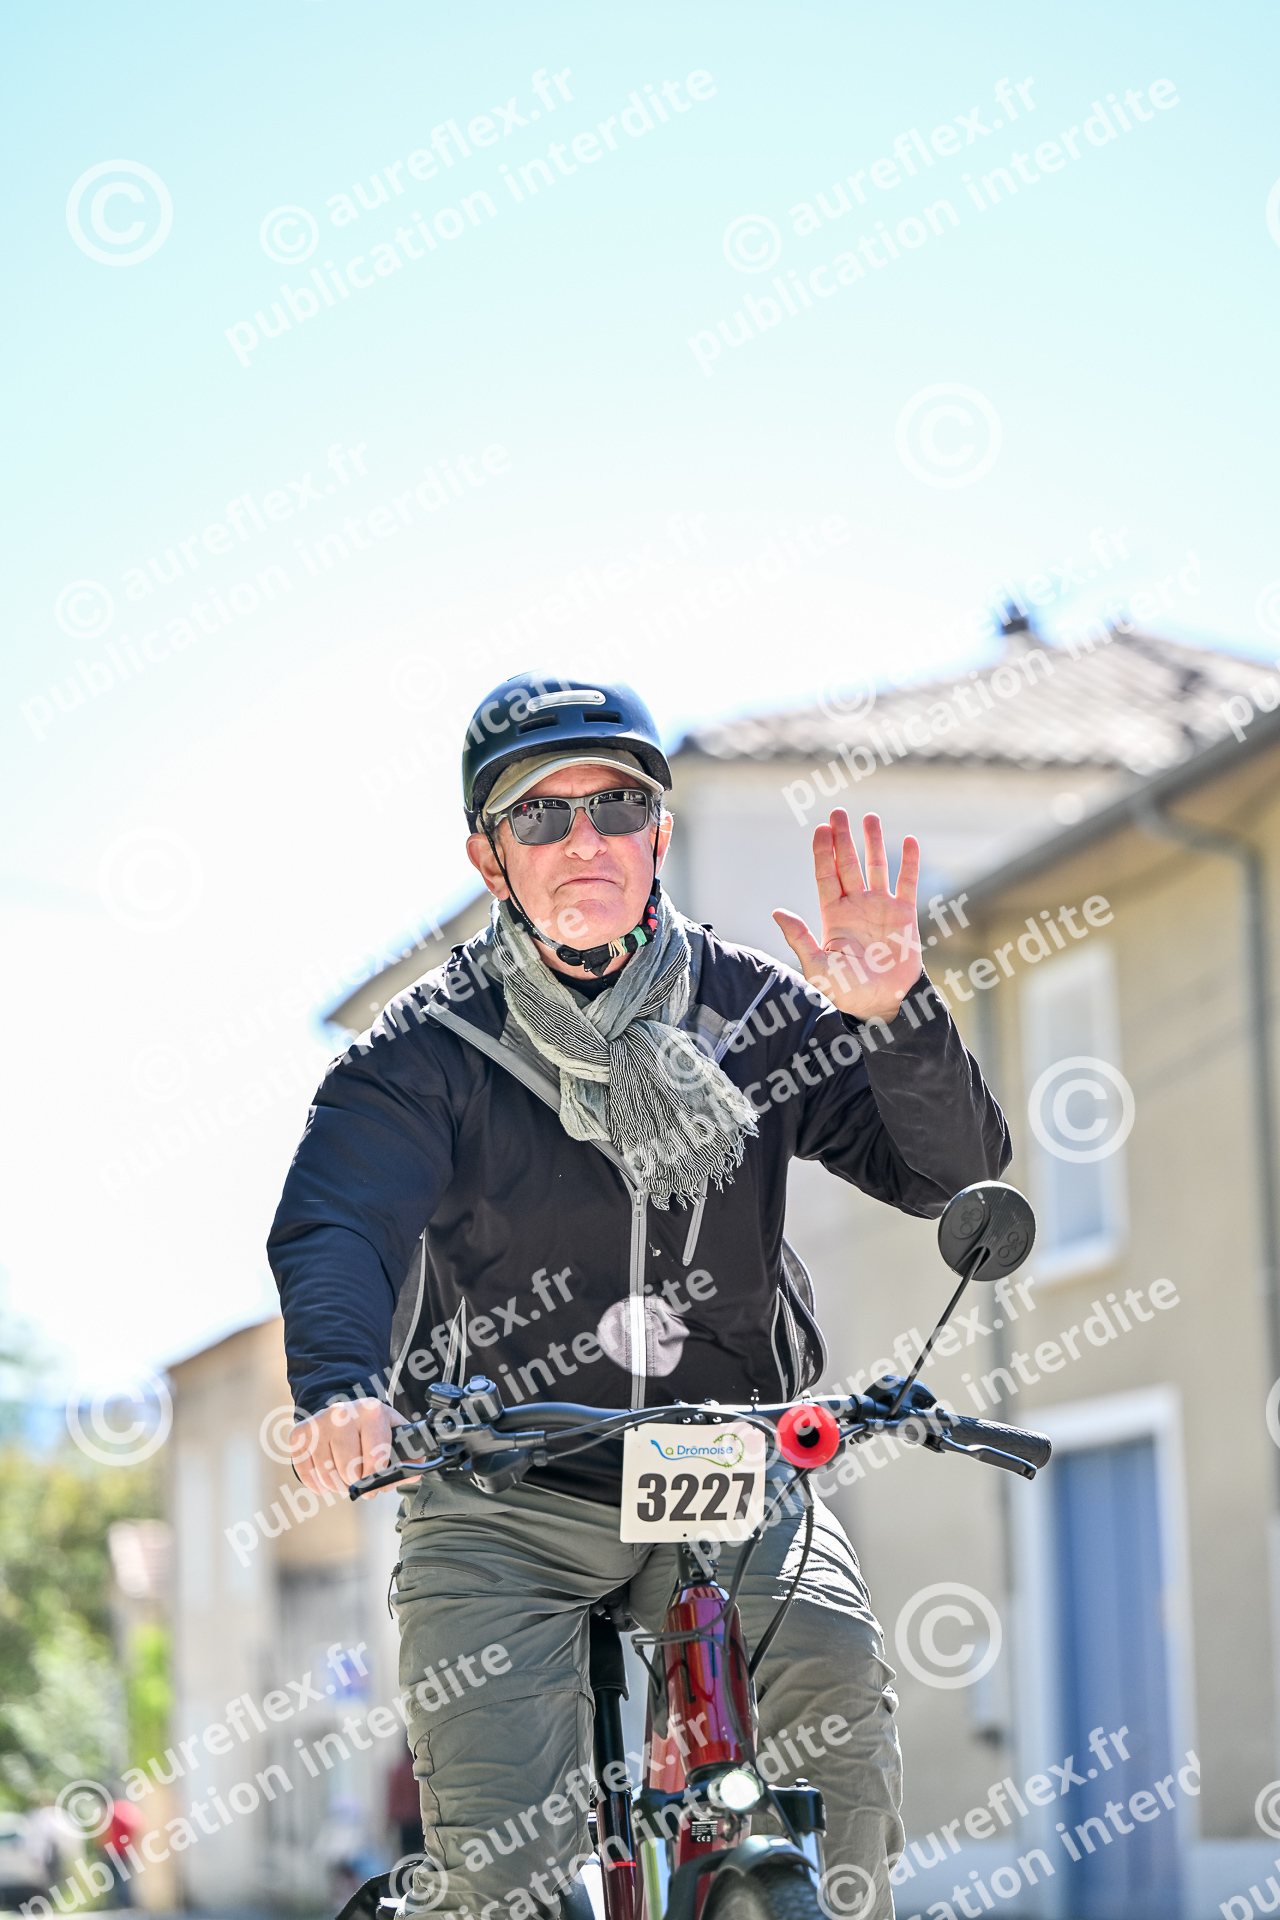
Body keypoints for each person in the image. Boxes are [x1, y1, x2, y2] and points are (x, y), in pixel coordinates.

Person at [269, 673, 1010, 1920]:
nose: (584, 840)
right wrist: (341, 1384)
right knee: (503, 1880)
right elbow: (339, 1220)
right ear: (489, 856)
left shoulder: (752, 1012)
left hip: (720, 1472)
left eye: (614, 806)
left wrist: (893, 1015)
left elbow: (951, 1174)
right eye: (540, 815)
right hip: (503, 1490)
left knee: (832, 1698)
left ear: (657, 834)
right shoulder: (426, 1050)